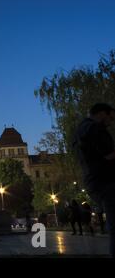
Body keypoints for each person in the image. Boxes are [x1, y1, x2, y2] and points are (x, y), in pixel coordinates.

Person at [73, 103, 115, 256]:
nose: (111, 122)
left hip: (92, 181)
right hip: (107, 180)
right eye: (110, 118)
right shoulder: (96, 128)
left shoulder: (79, 130)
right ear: (102, 113)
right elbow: (109, 155)